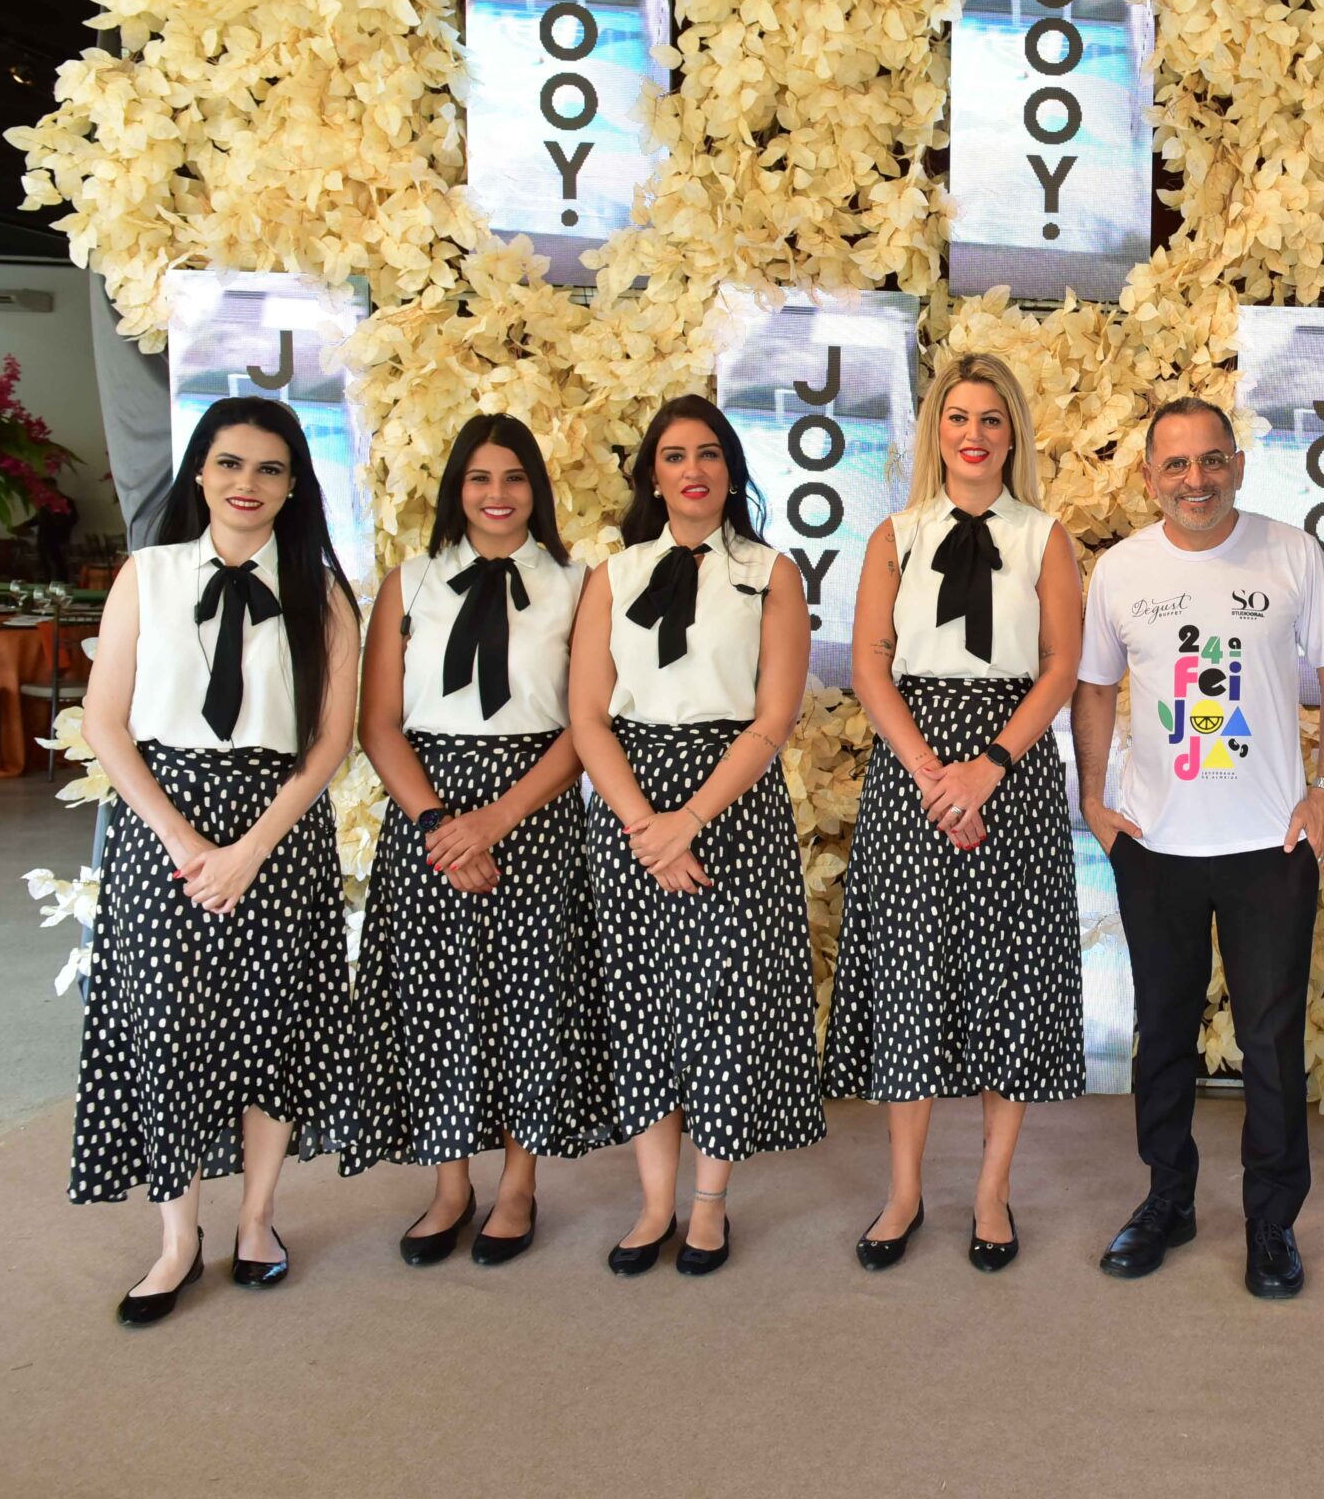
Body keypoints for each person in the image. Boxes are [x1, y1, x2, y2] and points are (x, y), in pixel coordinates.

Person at [71, 397, 360, 1325]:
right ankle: (176, 1238)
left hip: (277, 827)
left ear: (294, 486)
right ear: (199, 470)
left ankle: (258, 1219)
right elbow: (105, 723)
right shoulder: (147, 575)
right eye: (230, 462)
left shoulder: (324, 593)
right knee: (168, 1031)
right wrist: (186, 842)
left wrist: (250, 850)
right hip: (165, 827)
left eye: (270, 468)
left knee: (274, 1029)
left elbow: (330, 741)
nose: (247, 483)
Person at [1075, 399, 1324, 1300]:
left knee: (1271, 1040)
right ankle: (1169, 1197)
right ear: (1148, 477)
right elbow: (1094, 689)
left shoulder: (1292, 553)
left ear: (1237, 463)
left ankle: (1272, 1222)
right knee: (1162, 1032)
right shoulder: (1121, 569)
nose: (1194, 480)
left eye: (1210, 461)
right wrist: (1095, 800)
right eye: (1175, 465)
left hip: (1270, 845)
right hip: (1155, 845)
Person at [825, 354, 1083, 1273]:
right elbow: (870, 662)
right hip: (913, 766)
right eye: (958, 417)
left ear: (1013, 436)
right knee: (910, 973)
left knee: (1008, 976)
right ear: (936, 430)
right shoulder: (894, 536)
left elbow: (1060, 664)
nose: (974, 434)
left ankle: (991, 1189)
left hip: (1011, 766)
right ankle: (903, 1191)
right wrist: (933, 773)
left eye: (991, 419)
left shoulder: (1045, 537)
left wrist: (989, 767)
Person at [344, 413, 610, 1267]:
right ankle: (450, 1182)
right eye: (480, 478)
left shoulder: (578, 585)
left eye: (515, 477)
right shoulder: (410, 583)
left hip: (533, 811)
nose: (498, 495)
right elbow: (379, 723)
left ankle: (519, 1182)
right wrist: (439, 825)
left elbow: (586, 723)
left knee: (531, 1000)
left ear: (538, 489)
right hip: (428, 813)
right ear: (456, 488)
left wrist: (495, 820)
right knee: (438, 1000)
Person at [568, 395, 824, 1278]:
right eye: (675, 455)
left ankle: (708, 1201)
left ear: (731, 470)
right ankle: (653, 1203)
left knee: (724, 1007)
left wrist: (689, 822)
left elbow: (773, 717)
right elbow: (588, 716)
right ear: (653, 474)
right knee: (643, 1004)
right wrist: (646, 827)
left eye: (709, 453)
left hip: (730, 805)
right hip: (630, 806)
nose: (693, 469)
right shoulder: (613, 575)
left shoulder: (770, 572)